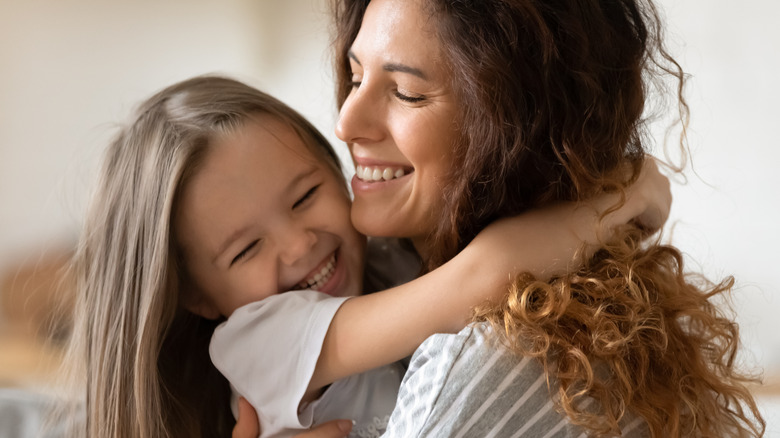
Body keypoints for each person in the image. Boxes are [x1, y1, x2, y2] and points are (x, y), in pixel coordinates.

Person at [55, 75, 669, 438]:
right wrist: (630, 192)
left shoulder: (383, 265)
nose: (299, 244)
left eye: (305, 196)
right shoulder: (254, 341)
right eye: (245, 248)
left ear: (339, 171)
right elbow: (480, 276)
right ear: (196, 296)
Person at [321, 0, 762, 436]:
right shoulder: (383, 272)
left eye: (406, 93)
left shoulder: (487, 363)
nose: (345, 123)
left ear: (517, 127)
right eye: (355, 77)